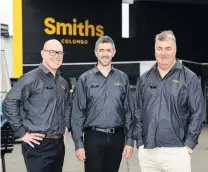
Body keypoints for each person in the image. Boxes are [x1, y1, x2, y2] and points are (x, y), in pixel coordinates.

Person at [133, 30, 205, 172]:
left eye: (168, 48)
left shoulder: (188, 77)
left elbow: (197, 113)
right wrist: (140, 143)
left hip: (177, 152)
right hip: (148, 153)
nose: (163, 53)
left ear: (175, 50)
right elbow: (137, 111)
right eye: (159, 48)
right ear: (155, 50)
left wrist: (189, 145)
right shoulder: (145, 78)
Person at [2, 39, 71, 172]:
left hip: (58, 145)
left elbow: (67, 105)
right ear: (43, 53)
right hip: (37, 145)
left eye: (60, 53)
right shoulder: (30, 78)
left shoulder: (62, 82)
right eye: (52, 52)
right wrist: (22, 133)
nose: (57, 56)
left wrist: (66, 127)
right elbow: (8, 103)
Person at [71, 35, 134, 172]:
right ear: (96, 52)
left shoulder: (122, 78)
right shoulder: (85, 79)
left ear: (114, 52)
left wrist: (129, 141)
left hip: (117, 137)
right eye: (101, 50)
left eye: (108, 50)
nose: (105, 54)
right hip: (93, 137)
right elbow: (78, 113)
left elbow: (129, 110)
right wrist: (78, 143)